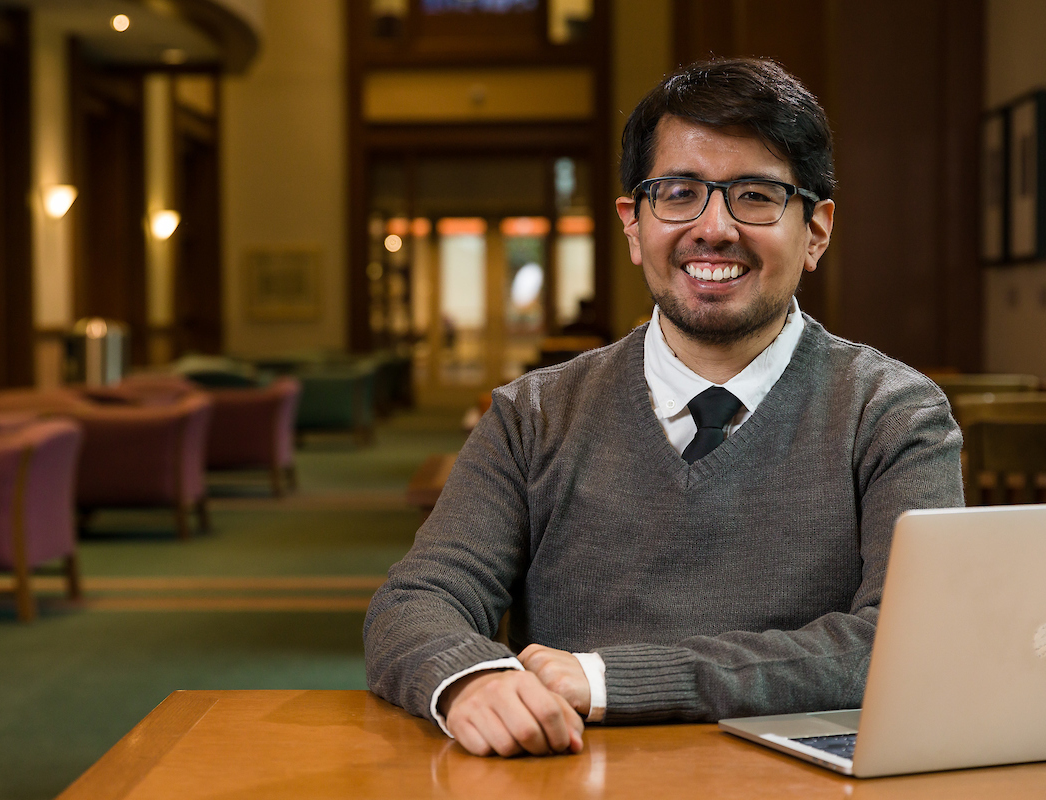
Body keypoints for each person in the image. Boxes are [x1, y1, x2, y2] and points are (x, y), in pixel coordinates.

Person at [363, 58, 964, 758]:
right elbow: (416, 601)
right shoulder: (533, 415)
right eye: (679, 194)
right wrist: (470, 679)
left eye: (756, 195)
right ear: (633, 224)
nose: (714, 228)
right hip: (568, 775)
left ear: (817, 230)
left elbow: (908, 641)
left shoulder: (894, 415)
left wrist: (609, 679)